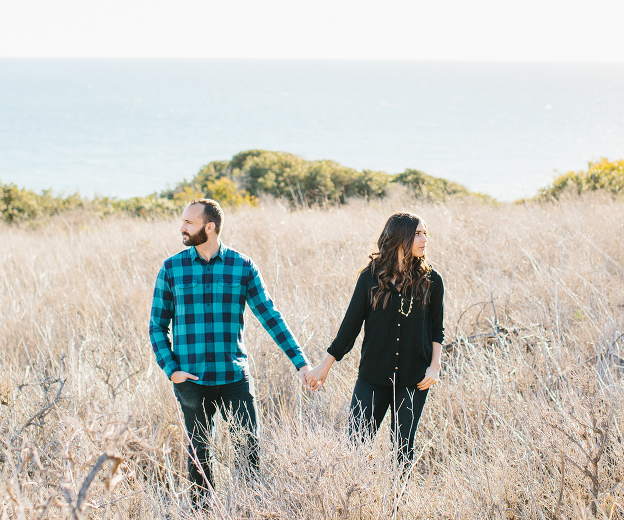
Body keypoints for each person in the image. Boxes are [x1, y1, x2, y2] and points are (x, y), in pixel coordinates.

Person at [150, 198, 311, 508]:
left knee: (249, 454)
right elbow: (157, 326)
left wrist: (300, 362)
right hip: (191, 381)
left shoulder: (242, 266)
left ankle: (250, 511)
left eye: (189, 223)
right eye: (183, 221)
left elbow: (269, 316)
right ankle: (202, 513)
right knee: (199, 459)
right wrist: (171, 369)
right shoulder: (172, 268)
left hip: (234, 378)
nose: (181, 227)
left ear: (209, 227)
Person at [305, 211, 443, 467]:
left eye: (425, 233)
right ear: (400, 238)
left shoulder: (432, 280)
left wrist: (434, 366)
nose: (424, 239)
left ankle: (397, 505)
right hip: (373, 377)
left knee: (403, 449)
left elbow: (437, 329)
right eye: (417, 234)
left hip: (415, 380)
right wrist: (325, 365)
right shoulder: (370, 278)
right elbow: (350, 326)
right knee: (356, 445)